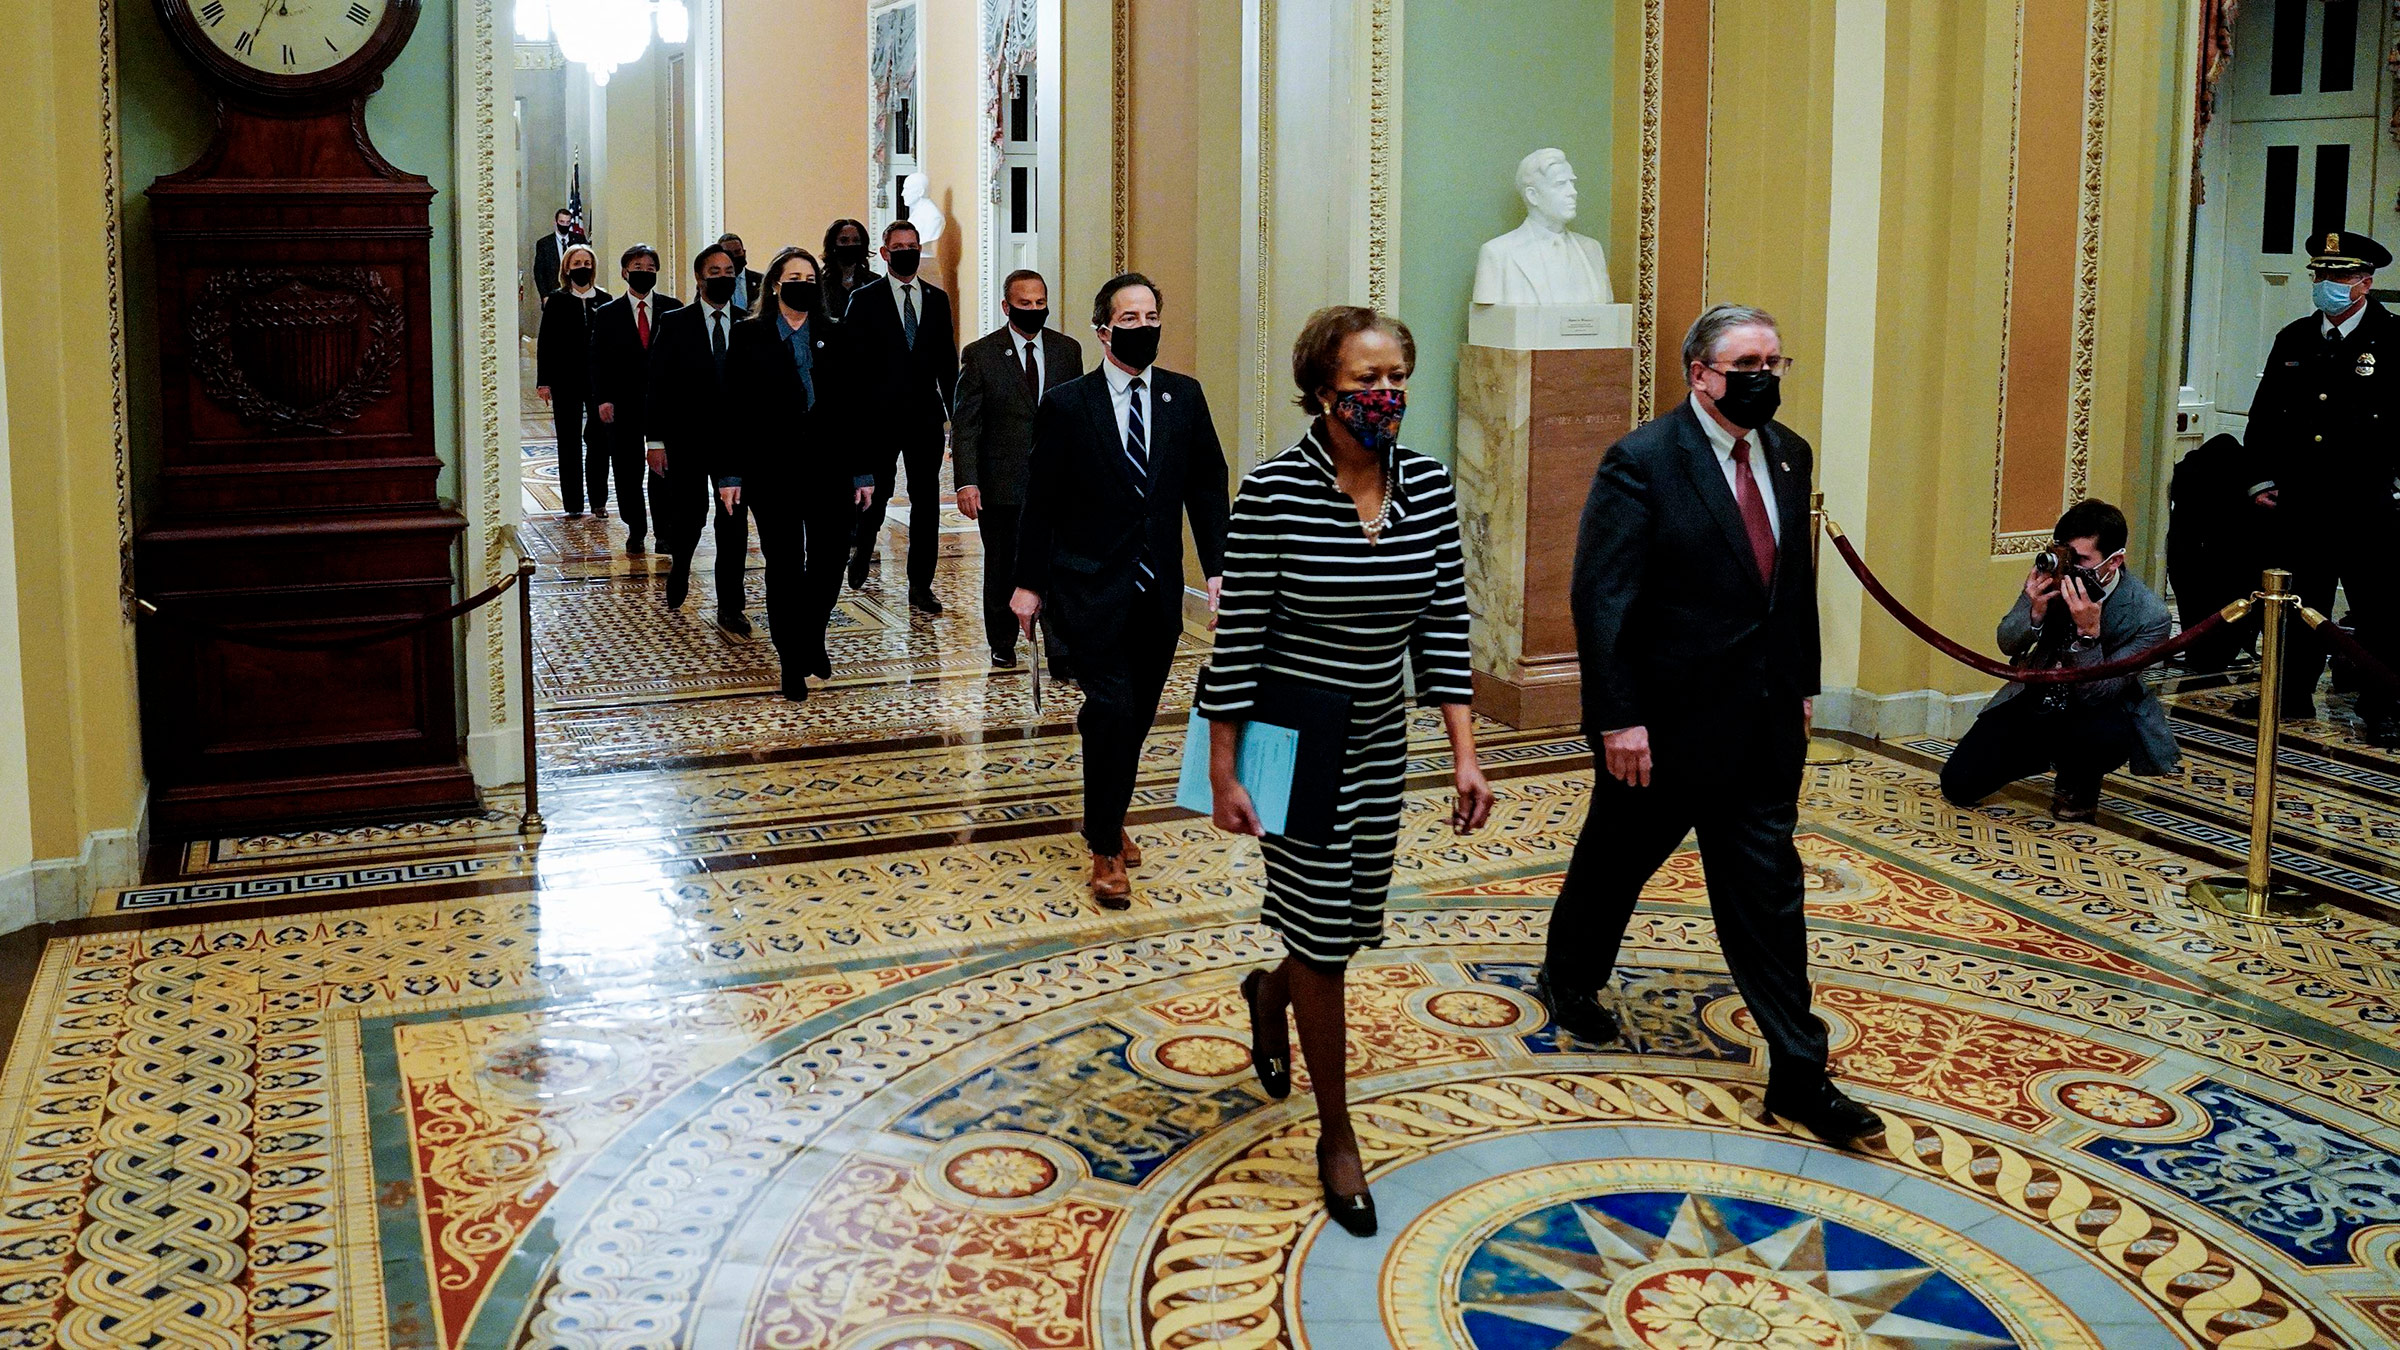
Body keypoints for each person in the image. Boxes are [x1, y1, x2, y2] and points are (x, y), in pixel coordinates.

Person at [1539, 303, 1880, 1147]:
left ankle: (1800, 1071)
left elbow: (1788, 587)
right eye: (1745, 363)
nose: (1763, 375)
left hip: (1761, 723)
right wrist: (1618, 718)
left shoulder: (1789, 454)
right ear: (1700, 373)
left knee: (1768, 893)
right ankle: (1568, 975)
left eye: (1774, 359)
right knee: (1616, 859)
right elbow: (1601, 598)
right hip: (1663, 725)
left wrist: (1802, 684)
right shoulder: (1643, 462)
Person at [1200, 306, 1493, 1238]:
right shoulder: (1275, 492)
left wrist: (1464, 754)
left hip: (1378, 742)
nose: (1386, 396)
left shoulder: (1431, 490)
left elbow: (1443, 625)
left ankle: (1269, 989)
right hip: (1292, 737)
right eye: (1366, 381)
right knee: (1326, 936)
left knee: (1348, 921)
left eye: (1396, 377)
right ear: (1322, 391)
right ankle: (1337, 1136)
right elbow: (1236, 639)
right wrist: (1223, 768)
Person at [1011, 272, 1230, 907]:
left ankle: (1108, 812)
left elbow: (1207, 489)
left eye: (1151, 316)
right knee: (1109, 710)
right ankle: (1105, 846)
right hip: (1087, 587)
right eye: (1128, 319)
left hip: (1155, 592)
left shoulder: (1183, 399)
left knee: (1132, 718)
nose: (1143, 328)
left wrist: (1217, 571)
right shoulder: (1068, 404)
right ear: (1103, 330)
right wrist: (1027, 584)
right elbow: (1041, 503)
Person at [2243, 229, 2400, 743]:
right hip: (2301, 502)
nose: (2326, 284)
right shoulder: (2294, 338)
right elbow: (2265, 415)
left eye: (2337, 276)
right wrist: (2261, 478)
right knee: (2296, 603)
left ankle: (2384, 706)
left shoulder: (2394, 341)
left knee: (2378, 611)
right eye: (2320, 275)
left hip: (2367, 505)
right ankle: (2288, 694)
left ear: (2364, 283)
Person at [1940, 501, 2176, 821]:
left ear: (2114, 561)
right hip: (2037, 698)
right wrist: (2033, 610)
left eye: (2080, 559)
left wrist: (2088, 635)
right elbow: (2006, 641)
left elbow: (2099, 692)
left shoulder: (2149, 616)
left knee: (2104, 732)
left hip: (2097, 713)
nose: (2069, 568)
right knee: (1958, 785)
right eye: (2064, 555)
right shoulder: (2052, 578)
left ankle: (2078, 775)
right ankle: (2044, 754)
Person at [723, 247, 878, 700]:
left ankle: (812, 635)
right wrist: (730, 474)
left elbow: (856, 408)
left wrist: (863, 470)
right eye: (794, 277)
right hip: (773, 471)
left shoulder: (837, 333)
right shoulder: (748, 335)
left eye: (810, 277)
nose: (803, 284)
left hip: (830, 468)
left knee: (829, 561)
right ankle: (791, 659)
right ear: (775, 284)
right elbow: (733, 410)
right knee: (786, 566)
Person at [954, 269, 1085, 669]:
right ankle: (1002, 642)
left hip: (1056, 482)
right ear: (1007, 306)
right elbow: (966, 422)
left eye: (1039, 303)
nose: (1033, 310)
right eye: (1024, 304)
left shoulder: (1067, 350)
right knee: (1003, 566)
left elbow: (1078, 415)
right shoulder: (981, 354)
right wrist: (967, 481)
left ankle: (1059, 646)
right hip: (1001, 483)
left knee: (1059, 564)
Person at [843, 219, 959, 610]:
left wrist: (956, 419)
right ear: (886, 252)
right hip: (878, 417)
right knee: (877, 494)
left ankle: (920, 585)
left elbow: (948, 363)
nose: (907, 251)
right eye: (900, 246)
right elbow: (853, 367)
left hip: (925, 417)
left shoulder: (937, 298)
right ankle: (863, 545)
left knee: (925, 501)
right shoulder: (865, 298)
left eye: (913, 244)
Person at [644, 242, 751, 623]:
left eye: (728, 272)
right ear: (699, 277)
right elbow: (656, 383)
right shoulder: (676, 322)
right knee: (690, 518)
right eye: (714, 273)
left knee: (734, 525)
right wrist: (654, 441)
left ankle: (731, 605)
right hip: (687, 438)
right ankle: (681, 567)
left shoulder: (747, 322)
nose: (722, 278)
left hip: (735, 443)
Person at [590, 244, 683, 557]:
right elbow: (598, 361)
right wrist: (602, 399)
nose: (644, 272)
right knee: (628, 472)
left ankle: (664, 532)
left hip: (663, 403)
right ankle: (636, 529)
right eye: (638, 267)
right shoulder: (607, 314)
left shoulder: (673, 309)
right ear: (624, 272)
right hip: (623, 404)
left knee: (663, 469)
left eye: (650, 267)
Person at [534, 243, 613, 518]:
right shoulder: (556, 300)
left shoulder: (605, 299)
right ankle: (573, 505)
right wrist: (544, 381)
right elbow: (546, 343)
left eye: (587, 263)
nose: (583, 268)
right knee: (568, 442)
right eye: (577, 263)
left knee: (599, 440)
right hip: (565, 380)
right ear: (567, 268)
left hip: (597, 382)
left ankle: (599, 501)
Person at [820, 218, 879, 324]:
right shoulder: (819, 282)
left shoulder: (874, 282)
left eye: (856, 240)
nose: (850, 245)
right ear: (833, 245)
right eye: (844, 241)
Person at [532, 206, 574, 303]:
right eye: (562, 222)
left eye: (568, 222)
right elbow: (539, 273)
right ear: (556, 222)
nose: (565, 225)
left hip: (575, 293)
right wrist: (544, 295)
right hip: (552, 293)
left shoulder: (578, 240)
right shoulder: (544, 243)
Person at [719, 232, 764, 315]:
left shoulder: (761, 280)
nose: (734, 257)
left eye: (737, 252)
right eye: (728, 254)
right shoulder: (714, 283)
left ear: (744, 252)